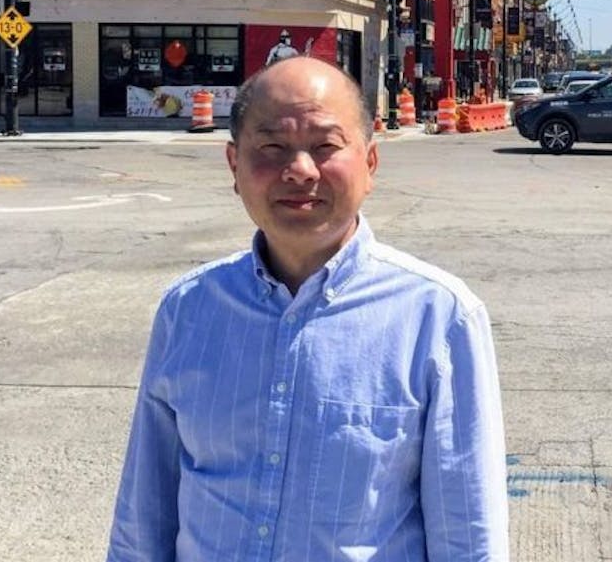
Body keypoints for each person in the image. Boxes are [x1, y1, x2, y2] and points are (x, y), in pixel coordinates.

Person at [107, 57, 508, 561]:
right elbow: (144, 516)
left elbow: (469, 538)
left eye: (325, 146)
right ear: (235, 166)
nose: (299, 170)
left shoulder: (438, 318)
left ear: (370, 164)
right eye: (271, 147)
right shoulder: (188, 310)